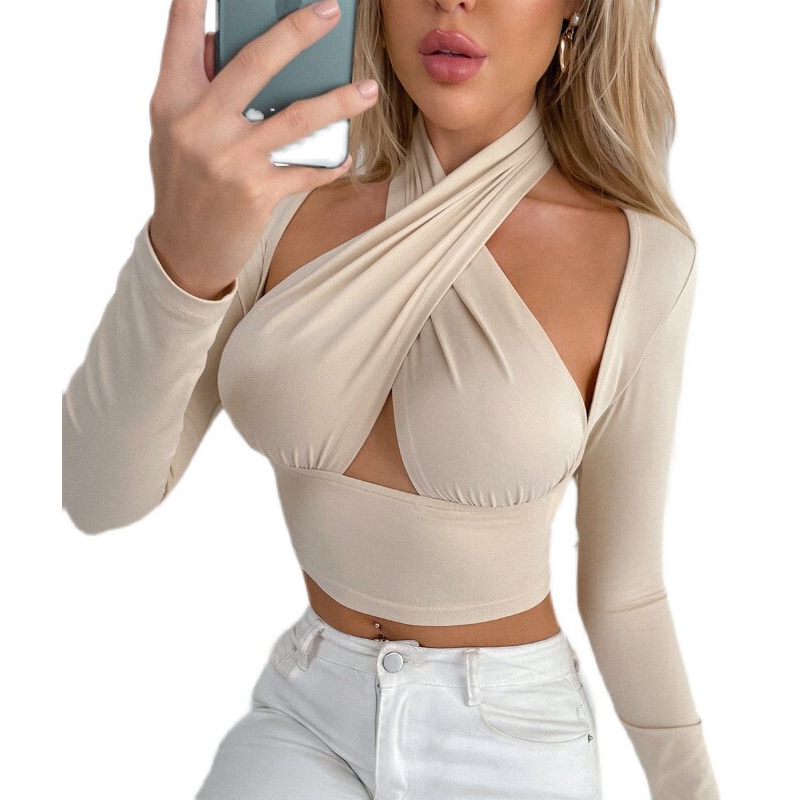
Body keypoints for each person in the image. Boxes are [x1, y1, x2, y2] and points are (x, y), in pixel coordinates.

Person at [62, 1, 720, 798]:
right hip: (308, 712)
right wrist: (177, 251)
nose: (452, 1)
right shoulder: (275, 204)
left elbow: (625, 591)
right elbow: (100, 496)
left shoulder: (639, 258)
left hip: (509, 737)